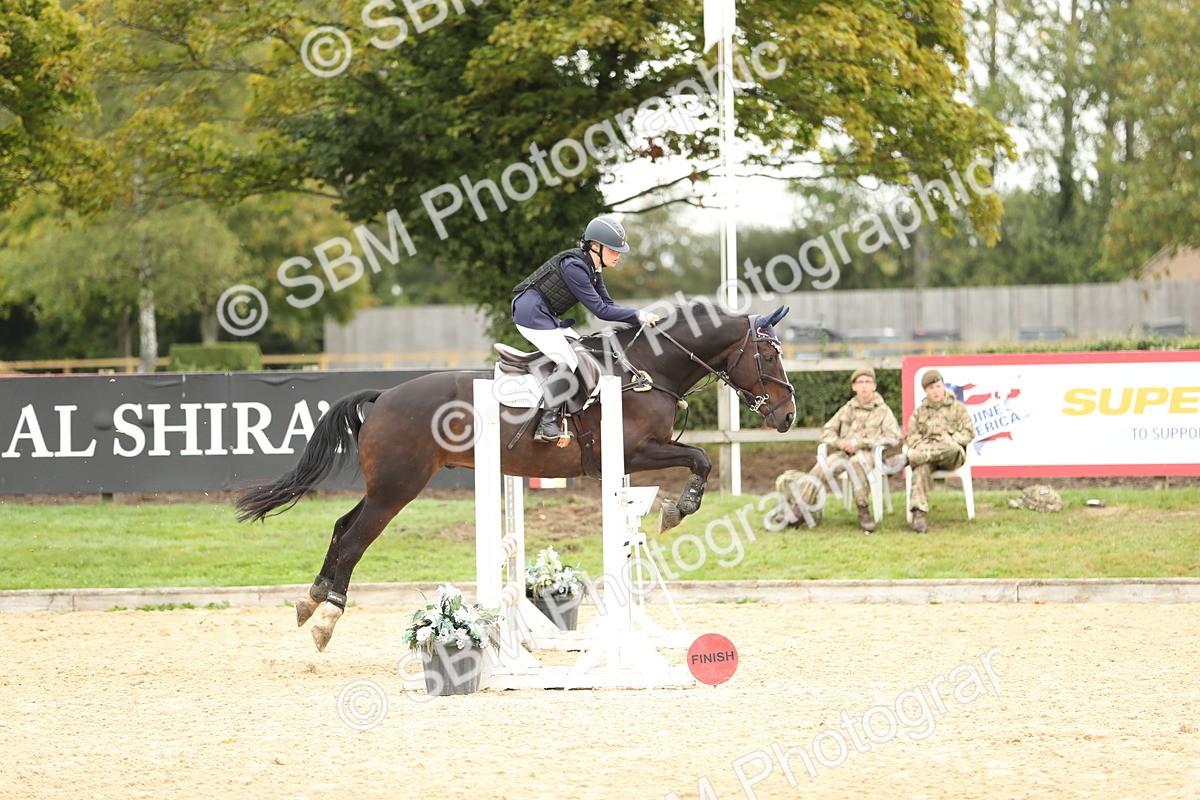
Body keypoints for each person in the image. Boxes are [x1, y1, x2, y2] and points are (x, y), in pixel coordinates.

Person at [511, 215, 660, 444]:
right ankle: (546, 424)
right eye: (613, 250)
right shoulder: (574, 268)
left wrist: (637, 317)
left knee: (582, 350)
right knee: (568, 361)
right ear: (595, 246)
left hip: (545, 315)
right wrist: (638, 315)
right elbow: (601, 311)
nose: (618, 254)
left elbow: (609, 305)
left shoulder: (593, 267)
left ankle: (569, 409)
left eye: (619, 250)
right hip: (530, 315)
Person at [782, 366, 901, 533]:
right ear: (853, 386)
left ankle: (863, 512)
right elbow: (827, 431)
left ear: (874, 386)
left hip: (869, 455)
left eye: (868, 382)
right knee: (822, 467)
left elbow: (893, 436)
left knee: (856, 463)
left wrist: (862, 442)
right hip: (844, 454)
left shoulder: (883, 410)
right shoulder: (848, 408)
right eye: (860, 382)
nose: (864, 386)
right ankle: (799, 511)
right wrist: (840, 443)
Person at [905, 369, 976, 532]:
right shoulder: (919, 412)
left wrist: (953, 438)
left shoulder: (958, 408)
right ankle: (919, 515)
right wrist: (918, 444)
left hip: (951, 455)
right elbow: (911, 436)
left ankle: (909, 458)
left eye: (938, 386)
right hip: (927, 459)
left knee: (950, 448)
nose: (935, 391)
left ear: (944, 386)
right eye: (931, 388)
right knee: (921, 468)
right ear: (926, 391)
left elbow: (969, 432)